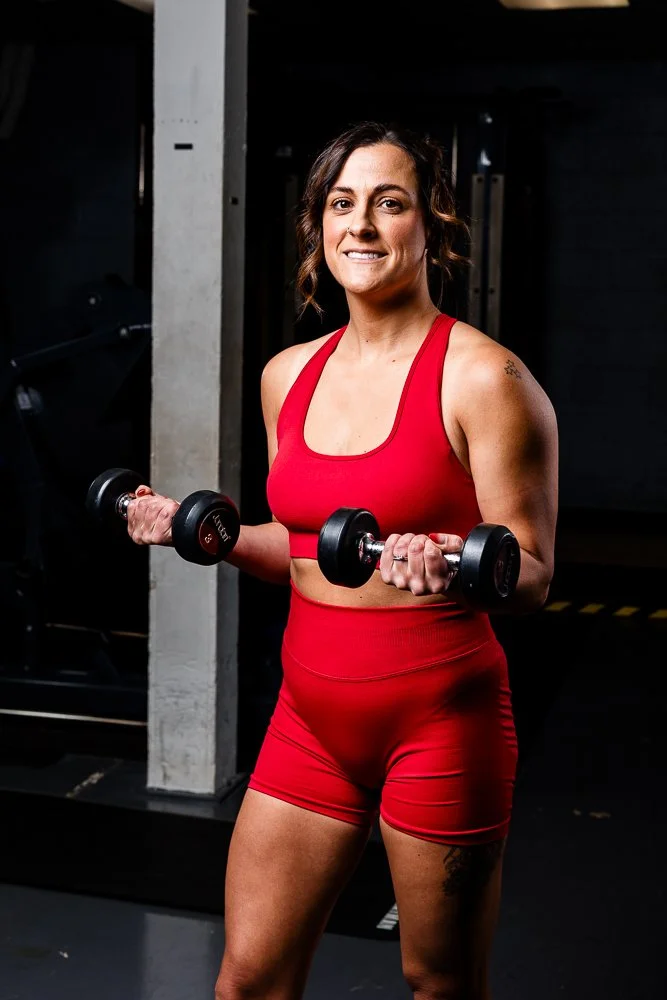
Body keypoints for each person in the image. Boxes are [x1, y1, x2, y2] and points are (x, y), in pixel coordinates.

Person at [127, 121, 558, 1000]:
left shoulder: (485, 379)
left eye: (388, 203)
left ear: (430, 224)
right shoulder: (288, 375)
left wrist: (455, 561)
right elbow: (306, 556)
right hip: (309, 722)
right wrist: (196, 531)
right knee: (248, 981)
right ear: (317, 229)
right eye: (341, 204)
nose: (361, 225)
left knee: (437, 981)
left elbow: (537, 571)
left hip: (441, 720)